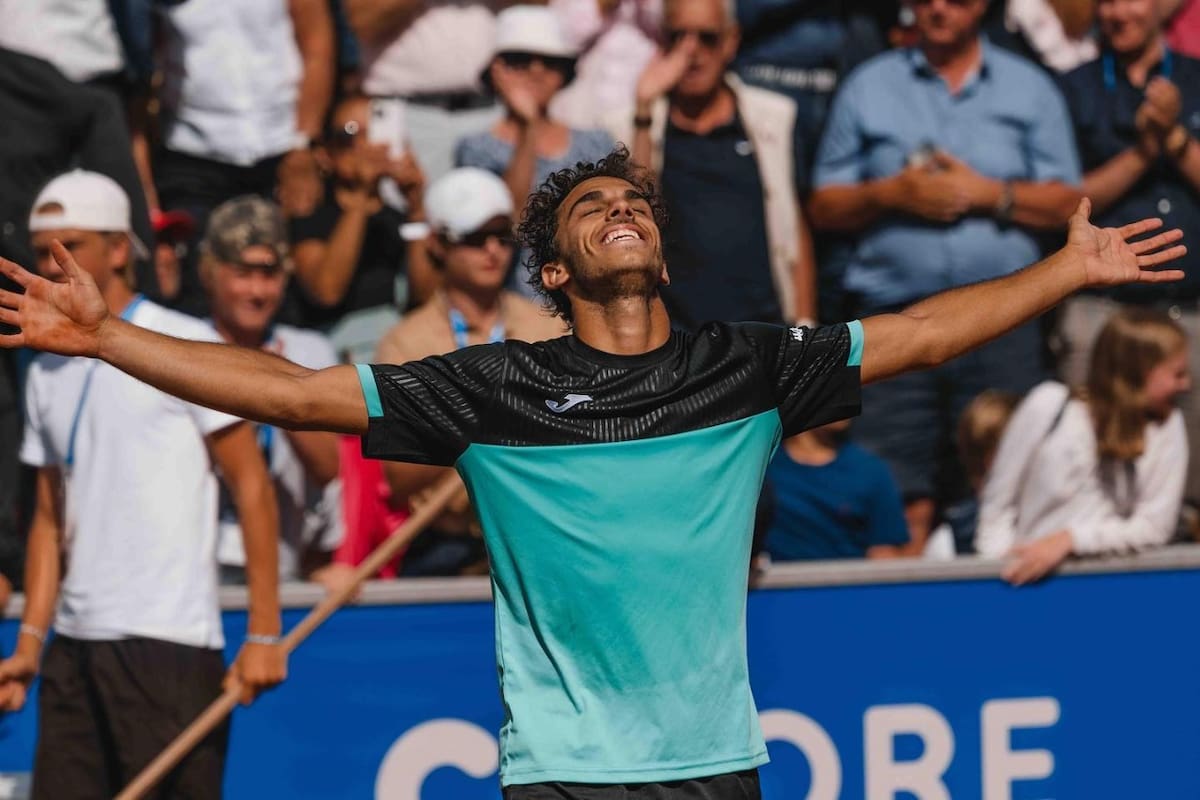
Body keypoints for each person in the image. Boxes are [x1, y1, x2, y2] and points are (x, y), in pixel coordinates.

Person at [0, 147, 1184, 799]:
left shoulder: (748, 367)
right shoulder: (493, 384)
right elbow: (296, 391)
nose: (620, 211)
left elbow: (923, 333)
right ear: (556, 271)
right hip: (565, 773)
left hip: (720, 764)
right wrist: (110, 337)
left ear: (659, 250)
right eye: (590, 209)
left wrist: (1066, 271)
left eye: (634, 202)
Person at [0, 171, 286, 798]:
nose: (52, 263)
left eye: (69, 244)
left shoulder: (185, 340)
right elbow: (50, 517)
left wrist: (265, 631)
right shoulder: (43, 361)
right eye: (43, 245)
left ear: (120, 249)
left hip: (169, 642)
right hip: (74, 647)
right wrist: (30, 642)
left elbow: (252, 486)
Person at [807, 0, 1083, 551]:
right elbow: (823, 205)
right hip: (893, 318)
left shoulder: (1030, 87)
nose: (937, 7)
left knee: (1010, 485)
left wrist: (990, 195)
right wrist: (890, 193)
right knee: (895, 496)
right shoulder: (869, 85)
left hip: (1003, 319)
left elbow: (1070, 201)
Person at [373, 167, 566, 577]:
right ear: (438, 244)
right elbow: (399, 474)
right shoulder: (405, 344)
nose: (493, 250)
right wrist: (490, 422)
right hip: (447, 544)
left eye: (502, 237)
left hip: (541, 534)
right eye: (475, 239)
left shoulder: (550, 325)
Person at [1058, 0, 1200, 514]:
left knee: (1191, 479)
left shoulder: (1195, 79)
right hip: (1101, 307)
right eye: (1107, 1)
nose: (1118, 13)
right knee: (1086, 469)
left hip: (1191, 312)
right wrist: (1144, 149)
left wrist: (1177, 137)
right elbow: (1062, 200)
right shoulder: (1072, 87)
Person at [611, 0, 816, 329]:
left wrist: (805, 323)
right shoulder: (631, 126)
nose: (691, 51)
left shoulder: (774, 119)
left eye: (707, 38)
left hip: (766, 336)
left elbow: (794, 226)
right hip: (677, 343)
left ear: (731, 40)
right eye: (678, 37)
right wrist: (645, 109)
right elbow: (634, 212)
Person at [140, 0, 335, 317]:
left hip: (281, 149)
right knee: (198, 294)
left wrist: (303, 142)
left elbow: (317, 47)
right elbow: (141, 67)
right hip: (192, 150)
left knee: (278, 290)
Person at [976, 309, 1190, 585]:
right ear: (1138, 372)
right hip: (1024, 584)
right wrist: (999, 571)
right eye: (1178, 374)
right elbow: (997, 506)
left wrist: (1070, 540)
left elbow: (1154, 527)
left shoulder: (1167, 428)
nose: (1186, 384)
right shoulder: (1050, 406)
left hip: (1110, 587)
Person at [201, 196, 343, 583]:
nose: (258, 291)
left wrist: (277, 396)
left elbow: (328, 467)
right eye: (243, 274)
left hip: (283, 563)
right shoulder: (182, 345)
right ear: (210, 271)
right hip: (195, 564)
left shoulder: (308, 350)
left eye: (270, 274)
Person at [286, 93, 429, 362]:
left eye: (373, 132)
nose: (365, 145)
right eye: (350, 133)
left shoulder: (399, 219)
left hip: (395, 353)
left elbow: (425, 297)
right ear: (325, 154)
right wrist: (363, 195)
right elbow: (326, 290)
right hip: (332, 356)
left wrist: (417, 209)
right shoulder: (311, 218)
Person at [458, 6, 616, 222]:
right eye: (520, 60)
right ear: (496, 70)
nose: (536, 71)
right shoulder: (475, 149)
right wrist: (528, 125)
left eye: (550, 62)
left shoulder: (597, 143)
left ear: (564, 73)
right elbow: (511, 222)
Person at [763, 418, 910, 561]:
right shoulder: (762, 467)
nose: (846, 399)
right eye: (831, 392)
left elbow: (885, 553)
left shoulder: (870, 470)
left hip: (848, 582)